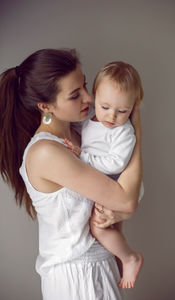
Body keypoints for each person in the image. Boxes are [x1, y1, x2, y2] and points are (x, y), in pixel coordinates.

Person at [0, 49, 143, 300]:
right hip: (75, 276)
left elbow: (124, 205)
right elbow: (127, 200)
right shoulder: (46, 152)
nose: (89, 97)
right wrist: (137, 126)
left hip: (100, 265)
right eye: (75, 95)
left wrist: (122, 214)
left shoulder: (82, 134)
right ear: (45, 106)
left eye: (85, 85)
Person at [65, 61, 144, 289]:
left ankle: (130, 257)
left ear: (133, 108)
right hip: (103, 184)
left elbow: (115, 163)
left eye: (122, 111)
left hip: (117, 184)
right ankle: (120, 261)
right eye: (105, 106)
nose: (112, 116)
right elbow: (85, 132)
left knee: (98, 226)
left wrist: (82, 157)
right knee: (104, 226)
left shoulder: (124, 132)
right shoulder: (90, 117)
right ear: (95, 96)